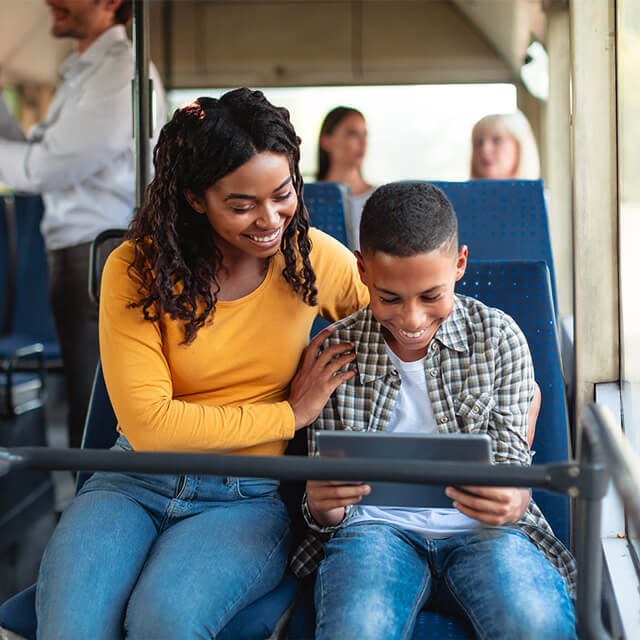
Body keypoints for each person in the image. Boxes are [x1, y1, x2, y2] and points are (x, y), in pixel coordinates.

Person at [34, 88, 369, 639]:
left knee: (162, 621)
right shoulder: (135, 269)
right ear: (195, 198)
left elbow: (412, 329)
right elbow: (151, 426)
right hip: (132, 483)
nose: (270, 219)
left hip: (245, 495)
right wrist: (289, 415)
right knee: (71, 627)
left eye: (282, 194)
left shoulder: (314, 259)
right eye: (241, 205)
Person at [290, 182, 576, 639]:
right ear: (361, 270)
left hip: (485, 531)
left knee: (535, 623)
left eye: (430, 296)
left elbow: (512, 471)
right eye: (389, 298)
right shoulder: (334, 351)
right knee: (356, 629)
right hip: (375, 531)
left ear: (460, 264)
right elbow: (327, 500)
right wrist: (322, 508)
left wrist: (514, 498)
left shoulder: (499, 338)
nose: (411, 320)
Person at [0, 0, 167, 448]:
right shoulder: (83, 73)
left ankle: (95, 501)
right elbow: (40, 154)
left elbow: (42, 169)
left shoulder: (120, 74)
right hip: (78, 255)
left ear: (110, 3)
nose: (51, 2)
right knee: (84, 393)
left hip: (101, 253)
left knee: (99, 409)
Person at [316, 106, 374, 250]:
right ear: (326, 141)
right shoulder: (306, 199)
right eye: (352, 134)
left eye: (365, 135)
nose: (363, 143)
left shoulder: (380, 198)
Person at [470, 111, 540, 180]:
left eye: (496, 140)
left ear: (519, 146)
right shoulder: (462, 191)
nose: (485, 149)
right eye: (479, 142)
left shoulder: (542, 191)